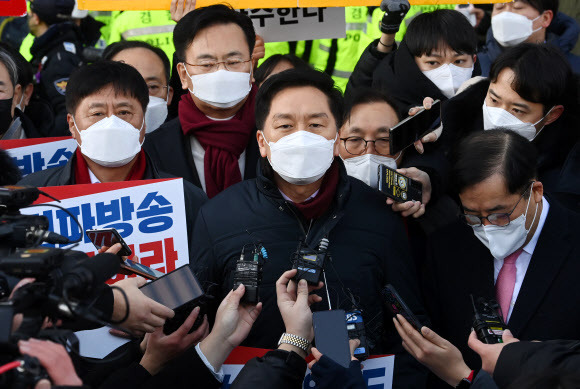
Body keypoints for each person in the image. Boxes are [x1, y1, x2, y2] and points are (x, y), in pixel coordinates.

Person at [191, 68, 428, 388]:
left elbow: (409, 329)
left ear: (335, 139)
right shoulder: (219, 216)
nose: (300, 137)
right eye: (285, 126)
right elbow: (196, 321)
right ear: (262, 141)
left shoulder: (378, 213)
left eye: (316, 125)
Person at [422, 129, 580, 388]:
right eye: (473, 216)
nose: (487, 228)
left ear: (536, 192)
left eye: (500, 215)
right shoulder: (447, 247)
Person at [17, 61, 207, 260]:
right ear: (72, 125)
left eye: (124, 112)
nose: (111, 123)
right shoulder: (33, 199)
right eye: (97, 114)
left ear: (144, 121)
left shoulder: (187, 200)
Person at [440, 43, 580, 210]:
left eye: (517, 110)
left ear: (551, 115)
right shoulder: (458, 118)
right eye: (494, 100)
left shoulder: (568, 169)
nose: (499, 117)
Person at [144, 5, 261, 198]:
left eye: (233, 62)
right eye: (206, 64)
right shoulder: (153, 149)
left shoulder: (280, 134)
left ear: (251, 67)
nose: (221, 73)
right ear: (183, 74)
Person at [345, 6, 479, 115]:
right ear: (412, 62)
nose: (449, 72)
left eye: (459, 61)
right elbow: (356, 100)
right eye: (433, 63)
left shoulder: (486, 102)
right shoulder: (386, 112)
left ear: (473, 60)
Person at [477, 0, 580, 76]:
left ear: (545, 18)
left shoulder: (574, 68)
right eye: (499, 7)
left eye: (518, 7)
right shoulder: (473, 64)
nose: (505, 14)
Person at [28, 0, 84, 136]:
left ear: (36, 19)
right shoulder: (58, 46)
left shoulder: (60, 57)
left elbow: (68, 111)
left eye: (30, 14)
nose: (28, 18)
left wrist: (46, 145)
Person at [103, 41, 173, 133]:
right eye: (125, 86)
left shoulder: (187, 144)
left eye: (152, 87)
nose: (140, 96)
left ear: (169, 94)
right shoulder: (85, 143)